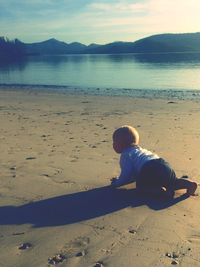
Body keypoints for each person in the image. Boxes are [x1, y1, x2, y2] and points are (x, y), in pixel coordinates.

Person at [111, 125, 197, 198]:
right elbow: (133, 174)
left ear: (121, 144)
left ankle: (160, 191)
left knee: (142, 187)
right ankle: (188, 184)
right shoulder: (140, 151)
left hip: (149, 169)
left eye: (114, 142)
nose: (113, 145)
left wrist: (117, 183)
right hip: (163, 164)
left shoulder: (126, 155)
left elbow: (126, 175)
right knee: (172, 182)